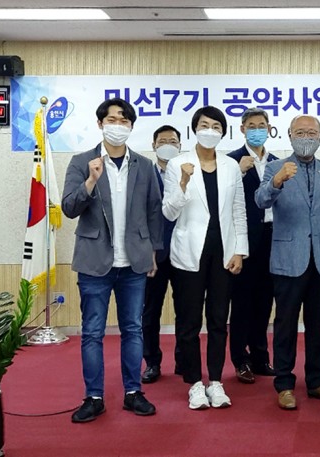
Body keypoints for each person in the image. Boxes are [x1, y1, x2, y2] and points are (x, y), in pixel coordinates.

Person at [62, 98, 163, 423]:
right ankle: (94, 397)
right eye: (111, 120)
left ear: (131, 127)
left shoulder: (144, 165)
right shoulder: (82, 162)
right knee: (92, 332)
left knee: (133, 329)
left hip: (133, 262)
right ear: (100, 124)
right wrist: (91, 181)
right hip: (95, 262)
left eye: (124, 120)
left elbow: (154, 210)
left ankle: (133, 392)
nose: (117, 125)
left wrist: (153, 251)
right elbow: (69, 208)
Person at [256, 114, 320, 410]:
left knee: (318, 325)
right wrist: (277, 181)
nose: (306, 137)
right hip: (288, 258)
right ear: (289, 135)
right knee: (285, 324)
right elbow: (260, 201)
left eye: (311, 133)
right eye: (300, 132)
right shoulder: (274, 167)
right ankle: (284, 384)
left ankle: (317, 381)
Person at [163, 106, 248, 410]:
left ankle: (215, 381)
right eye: (204, 125)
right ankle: (194, 383)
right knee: (188, 322)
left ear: (222, 132)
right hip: (189, 253)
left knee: (218, 320)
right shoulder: (177, 164)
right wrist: (183, 183)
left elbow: (238, 210)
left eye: (215, 126)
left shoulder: (230, 166)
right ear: (194, 129)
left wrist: (240, 250)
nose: (209, 131)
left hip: (223, 253)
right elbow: (169, 212)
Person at [227, 108, 278, 384]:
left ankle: (260, 356)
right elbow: (222, 199)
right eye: (251, 125)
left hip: (272, 238)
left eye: (262, 125)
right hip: (243, 240)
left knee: (264, 301)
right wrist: (237, 171)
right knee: (242, 303)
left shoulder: (279, 163)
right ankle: (240, 359)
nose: (257, 130)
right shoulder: (230, 161)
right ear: (242, 129)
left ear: (269, 129)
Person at [141, 125, 182, 384]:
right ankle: (152, 362)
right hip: (153, 255)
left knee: (186, 311)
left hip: (184, 252)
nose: (168, 145)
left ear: (180, 146)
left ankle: (184, 360)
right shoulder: (144, 173)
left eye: (173, 141)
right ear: (154, 145)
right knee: (150, 312)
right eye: (163, 141)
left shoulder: (189, 172)